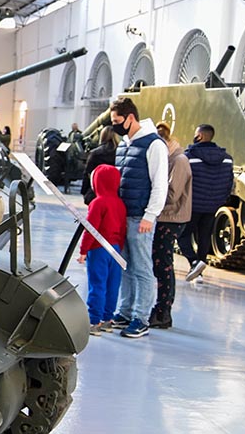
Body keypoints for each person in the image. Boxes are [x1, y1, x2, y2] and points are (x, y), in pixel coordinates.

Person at [106, 96, 167, 339]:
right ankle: (126, 310)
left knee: (142, 268)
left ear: (130, 118)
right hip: (122, 217)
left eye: (117, 121)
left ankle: (141, 318)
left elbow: (160, 184)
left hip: (140, 217)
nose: (115, 125)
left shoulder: (154, 145)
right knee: (125, 266)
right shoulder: (124, 145)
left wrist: (150, 216)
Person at [179, 124, 234, 281]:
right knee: (204, 237)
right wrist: (220, 199)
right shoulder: (227, 159)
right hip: (212, 205)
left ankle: (194, 262)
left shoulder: (189, 157)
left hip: (193, 205)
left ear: (200, 136)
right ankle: (199, 270)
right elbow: (229, 182)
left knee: (183, 236)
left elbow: (182, 181)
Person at [78, 164, 126, 336]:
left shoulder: (97, 203)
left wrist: (84, 250)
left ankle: (94, 321)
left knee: (97, 285)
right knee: (113, 285)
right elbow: (123, 230)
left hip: (98, 249)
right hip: (115, 250)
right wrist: (119, 248)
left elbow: (91, 229)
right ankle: (107, 320)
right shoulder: (120, 204)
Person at [149, 133, 191, 329]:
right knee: (160, 264)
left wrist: (151, 201)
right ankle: (160, 309)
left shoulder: (179, 160)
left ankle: (163, 311)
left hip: (171, 218)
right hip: (166, 217)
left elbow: (172, 194)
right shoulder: (171, 159)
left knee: (164, 265)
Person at [81, 127, 117, 205]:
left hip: (96, 193)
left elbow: (87, 173)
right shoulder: (120, 153)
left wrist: (84, 191)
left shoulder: (95, 153)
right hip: (114, 194)